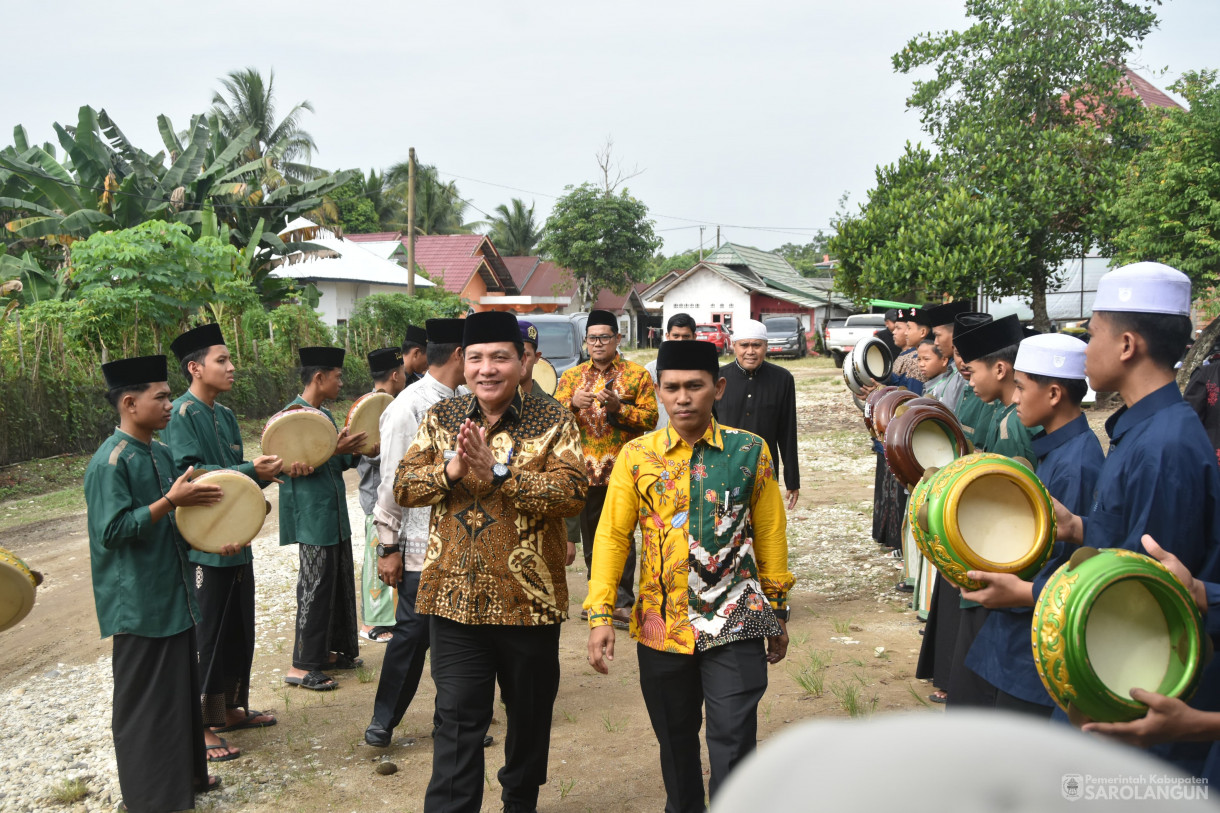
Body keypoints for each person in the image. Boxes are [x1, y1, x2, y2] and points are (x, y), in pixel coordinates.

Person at [968, 262, 1220, 779]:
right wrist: (1078, 528)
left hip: (1131, 687)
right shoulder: (1143, 430)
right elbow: (1128, 543)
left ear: (1127, 345)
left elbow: (1145, 592)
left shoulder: (1165, 445)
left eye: (1094, 334)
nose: (1086, 350)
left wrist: (1030, 595)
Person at [586, 339, 795, 813]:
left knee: (734, 739)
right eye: (672, 387)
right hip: (661, 625)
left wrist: (778, 607)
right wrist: (601, 613)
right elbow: (613, 537)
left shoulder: (751, 452)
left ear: (717, 388)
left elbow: (769, 532)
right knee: (675, 741)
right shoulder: (637, 457)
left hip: (736, 619)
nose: (683, 398)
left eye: (695, 387)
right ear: (658, 391)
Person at [396, 311, 587, 813]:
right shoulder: (442, 419)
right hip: (453, 603)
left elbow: (572, 494)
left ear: (523, 361)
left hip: (529, 604)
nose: (486, 369)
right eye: (475, 358)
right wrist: (453, 469)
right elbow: (403, 486)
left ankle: (519, 801)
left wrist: (501, 475)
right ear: (462, 362)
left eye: (499, 357)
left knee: (528, 719)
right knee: (456, 722)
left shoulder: (554, 420)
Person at [86, 354, 226, 811]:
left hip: (174, 596)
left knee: (178, 696)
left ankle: (184, 783)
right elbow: (112, 532)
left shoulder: (160, 453)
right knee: (145, 705)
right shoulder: (109, 463)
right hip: (138, 605)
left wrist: (212, 540)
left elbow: (176, 524)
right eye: (161, 396)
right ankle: (149, 799)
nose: (170, 404)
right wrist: (169, 499)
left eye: (169, 395)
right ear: (129, 403)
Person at [961, 332, 1104, 717]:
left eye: (1021, 388)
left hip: (1036, 643)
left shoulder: (1077, 463)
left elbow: (1066, 564)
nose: (1016, 398)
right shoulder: (1060, 450)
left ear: (1054, 394)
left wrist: (1019, 589)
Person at [163, 323, 282, 762]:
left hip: (237, 540)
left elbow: (237, 478)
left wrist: (266, 474)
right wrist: (253, 470)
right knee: (209, 632)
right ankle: (204, 725)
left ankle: (230, 708)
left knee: (239, 628)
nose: (232, 368)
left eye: (230, 360)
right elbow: (195, 476)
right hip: (205, 544)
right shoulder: (181, 414)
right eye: (222, 361)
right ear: (195, 368)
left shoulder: (226, 414)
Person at [365, 319, 475, 747]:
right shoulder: (408, 407)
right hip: (418, 545)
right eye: (476, 355)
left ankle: (452, 721)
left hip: (465, 539)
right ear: (460, 355)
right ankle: (383, 720)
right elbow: (391, 482)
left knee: (461, 637)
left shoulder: (466, 400)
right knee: (411, 635)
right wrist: (387, 545)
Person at [555, 309, 658, 627]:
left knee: (623, 537)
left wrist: (619, 408)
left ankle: (623, 602)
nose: (598, 343)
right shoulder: (571, 378)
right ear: (585, 341)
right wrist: (572, 403)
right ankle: (598, 598)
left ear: (617, 339)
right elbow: (554, 419)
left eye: (604, 337)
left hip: (624, 470)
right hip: (586, 472)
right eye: (592, 338)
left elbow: (651, 418)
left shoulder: (637, 374)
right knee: (592, 540)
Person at [281, 346, 369, 692]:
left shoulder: (325, 415)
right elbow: (291, 463)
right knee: (314, 588)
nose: (341, 381)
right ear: (319, 377)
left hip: (333, 515)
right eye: (337, 376)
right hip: (312, 515)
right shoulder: (292, 418)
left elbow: (334, 461)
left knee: (337, 582)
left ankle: (330, 652)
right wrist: (332, 450)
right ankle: (301, 665)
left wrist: (356, 449)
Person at [355, 347, 409, 644]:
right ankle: (371, 623)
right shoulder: (373, 407)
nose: (404, 377)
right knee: (377, 558)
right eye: (402, 372)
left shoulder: (381, 402)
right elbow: (367, 453)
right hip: (375, 497)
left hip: (384, 496)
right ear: (394, 374)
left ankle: (388, 617)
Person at [718, 318, 801, 510]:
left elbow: (787, 432)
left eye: (756, 345)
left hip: (765, 467)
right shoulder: (718, 377)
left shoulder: (783, 379)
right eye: (744, 345)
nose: (750, 351)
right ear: (733, 346)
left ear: (766, 346)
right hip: (724, 468)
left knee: (764, 527)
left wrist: (792, 480)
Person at [519, 319, 581, 565]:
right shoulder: (485, 409)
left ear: (537, 357)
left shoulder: (555, 414)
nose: (520, 361)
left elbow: (570, 478)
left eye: (525, 354)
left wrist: (569, 536)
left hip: (543, 529)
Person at [645, 313, 697, 429]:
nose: (680, 341)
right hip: (659, 435)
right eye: (676, 336)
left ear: (694, 337)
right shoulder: (651, 369)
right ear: (667, 336)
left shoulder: (702, 369)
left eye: (686, 337)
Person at [922, 301, 972, 409]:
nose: (935, 342)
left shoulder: (965, 375)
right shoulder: (952, 369)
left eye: (938, 335)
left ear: (955, 334)